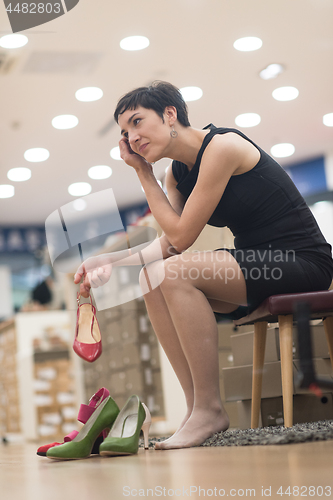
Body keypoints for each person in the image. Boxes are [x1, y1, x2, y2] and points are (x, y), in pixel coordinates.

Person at [74, 81, 333, 450]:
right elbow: (168, 246)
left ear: (169, 114)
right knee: (149, 277)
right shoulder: (177, 174)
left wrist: (142, 174)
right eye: (124, 132)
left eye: (137, 122)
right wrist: (113, 261)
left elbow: (181, 238)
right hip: (256, 268)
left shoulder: (222, 147)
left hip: (300, 261)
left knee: (173, 274)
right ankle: (198, 408)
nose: (131, 138)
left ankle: (209, 409)